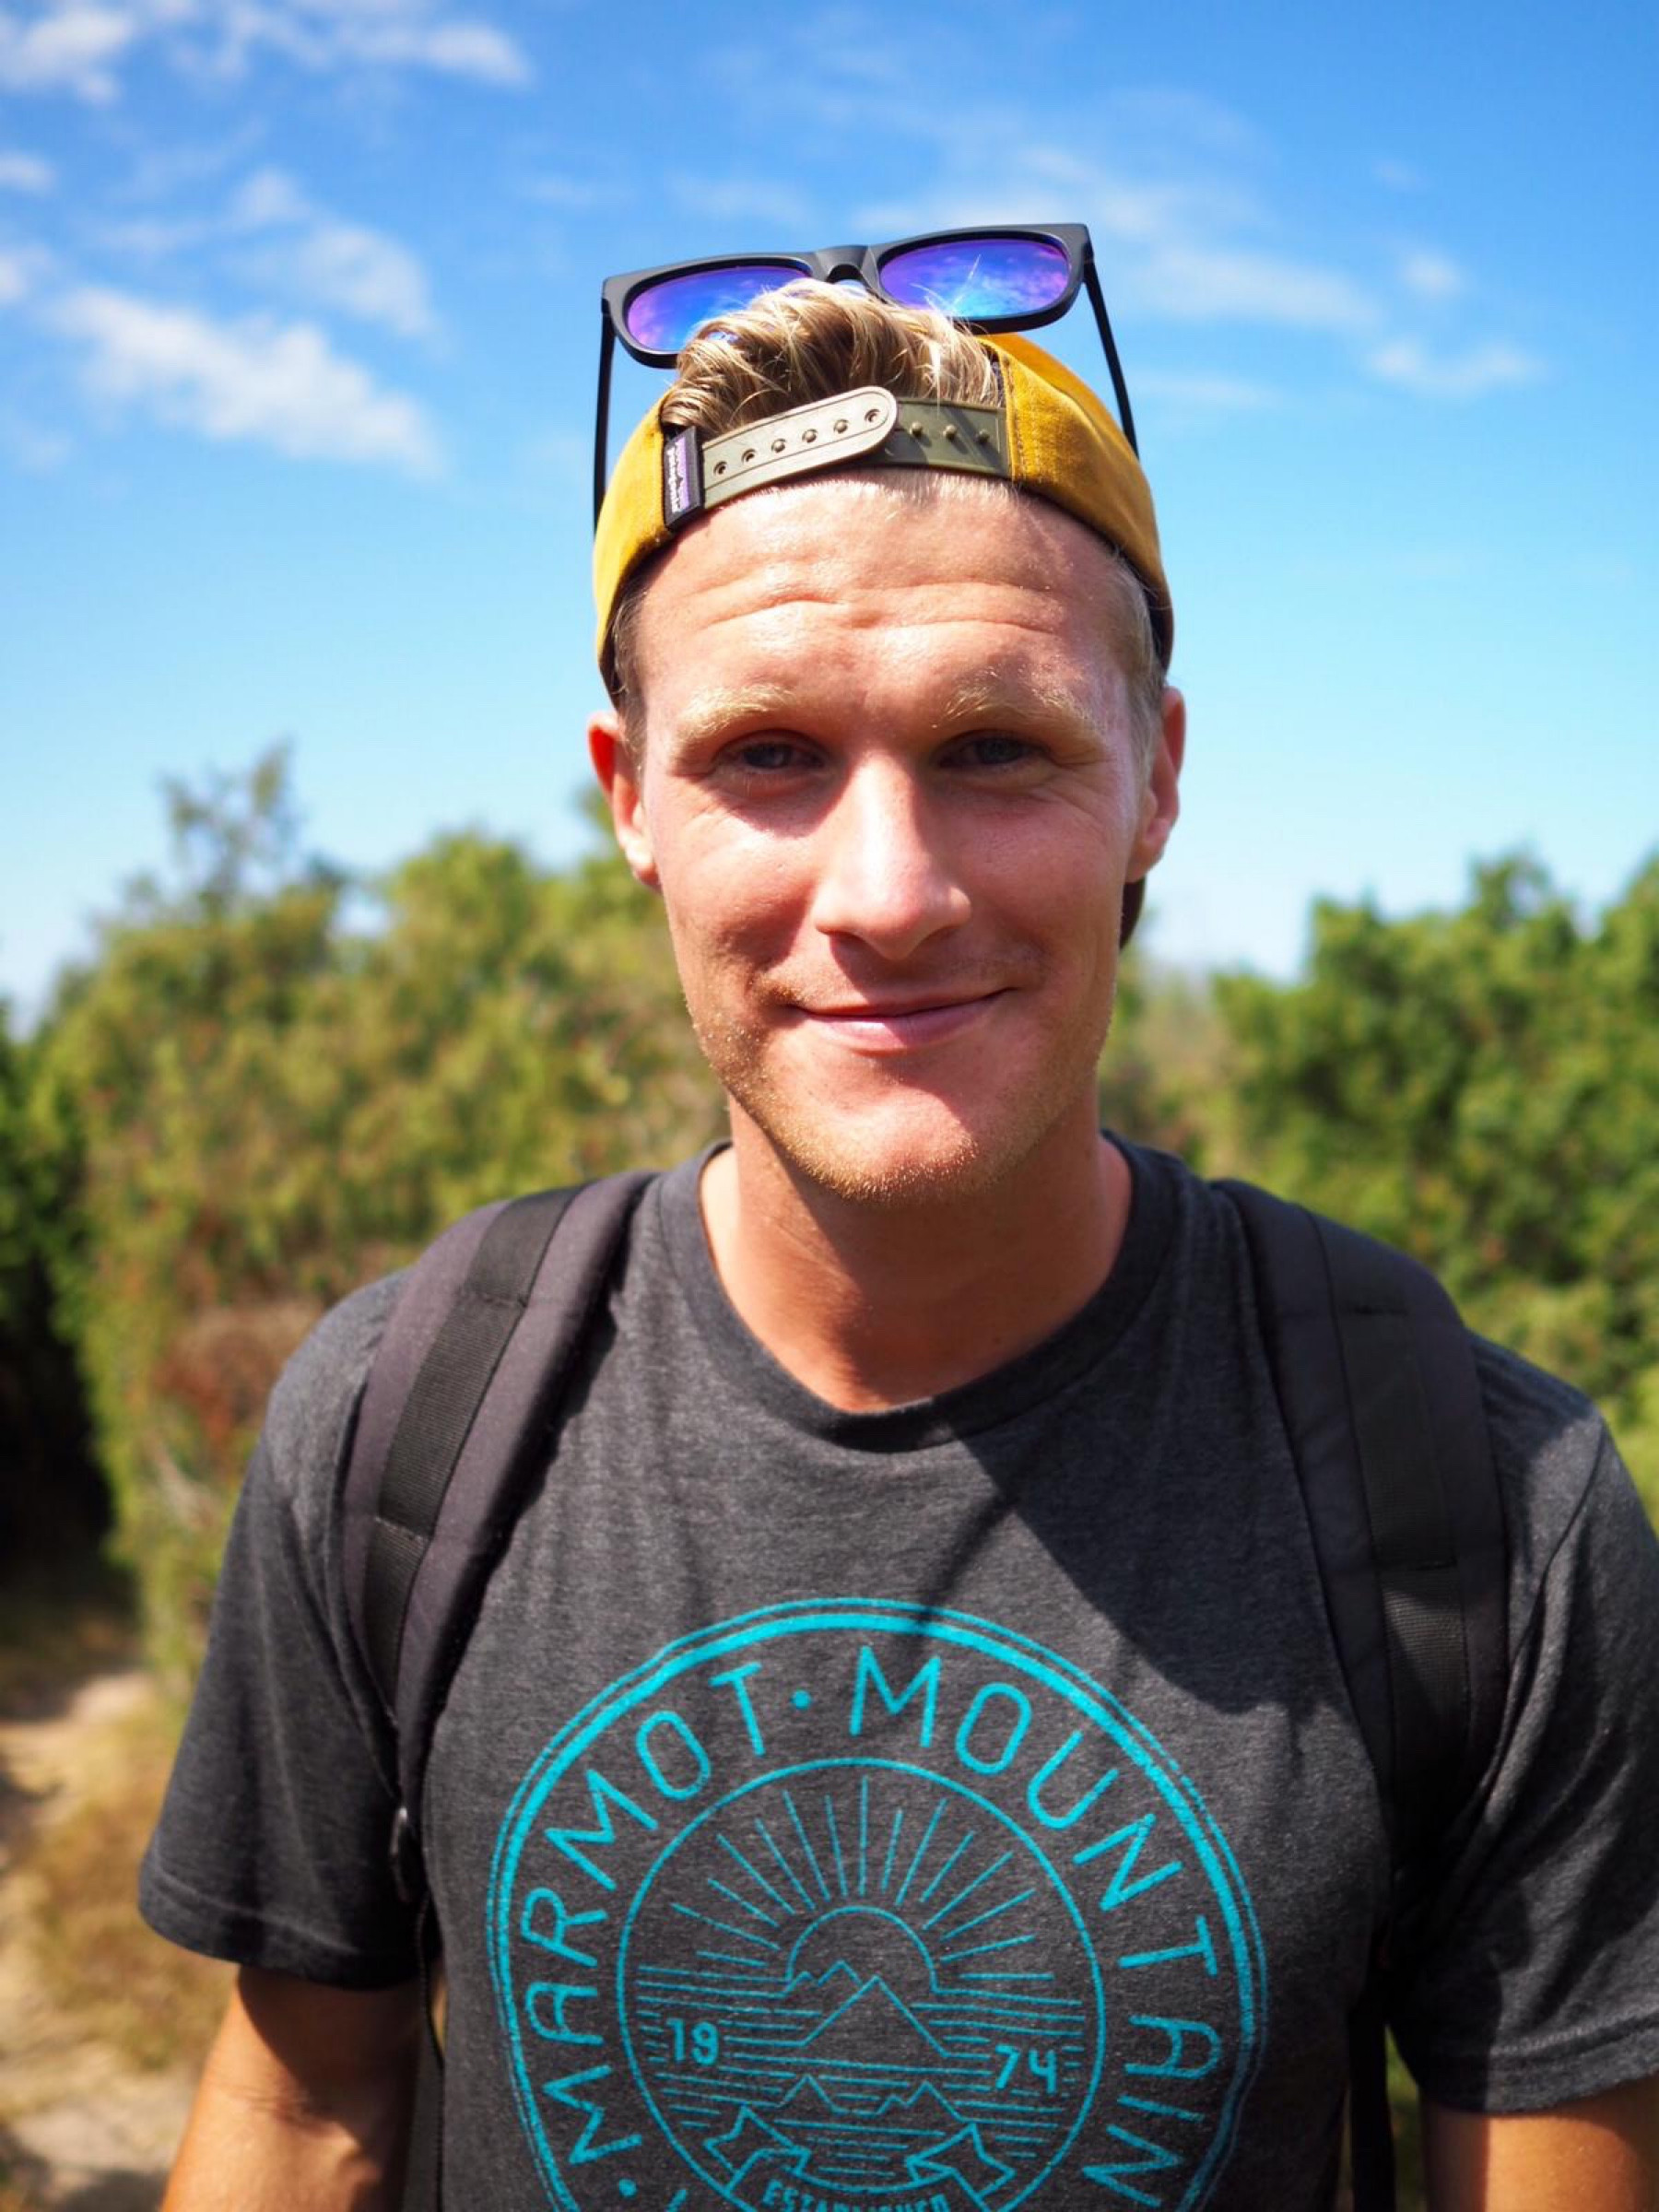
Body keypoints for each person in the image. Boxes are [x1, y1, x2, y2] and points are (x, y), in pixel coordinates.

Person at [141, 242, 1659, 2212]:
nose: (888, 892)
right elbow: (298, 2111)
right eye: (768, 755)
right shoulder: (402, 1425)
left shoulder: (1488, 1508)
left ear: (1157, 780)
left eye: (995, 748)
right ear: (630, 800)